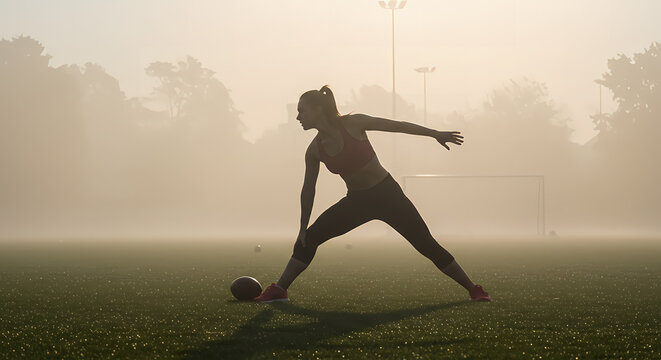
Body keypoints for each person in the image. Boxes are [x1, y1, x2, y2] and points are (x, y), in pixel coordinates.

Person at [254, 85, 491, 303]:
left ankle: (473, 289)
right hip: (357, 202)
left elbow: (396, 126)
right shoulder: (314, 150)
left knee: (425, 243)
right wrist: (302, 227)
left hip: (388, 195)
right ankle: (280, 290)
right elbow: (308, 189)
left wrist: (434, 133)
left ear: (318, 110)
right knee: (310, 237)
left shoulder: (354, 123)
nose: (297, 117)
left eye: (301, 111)